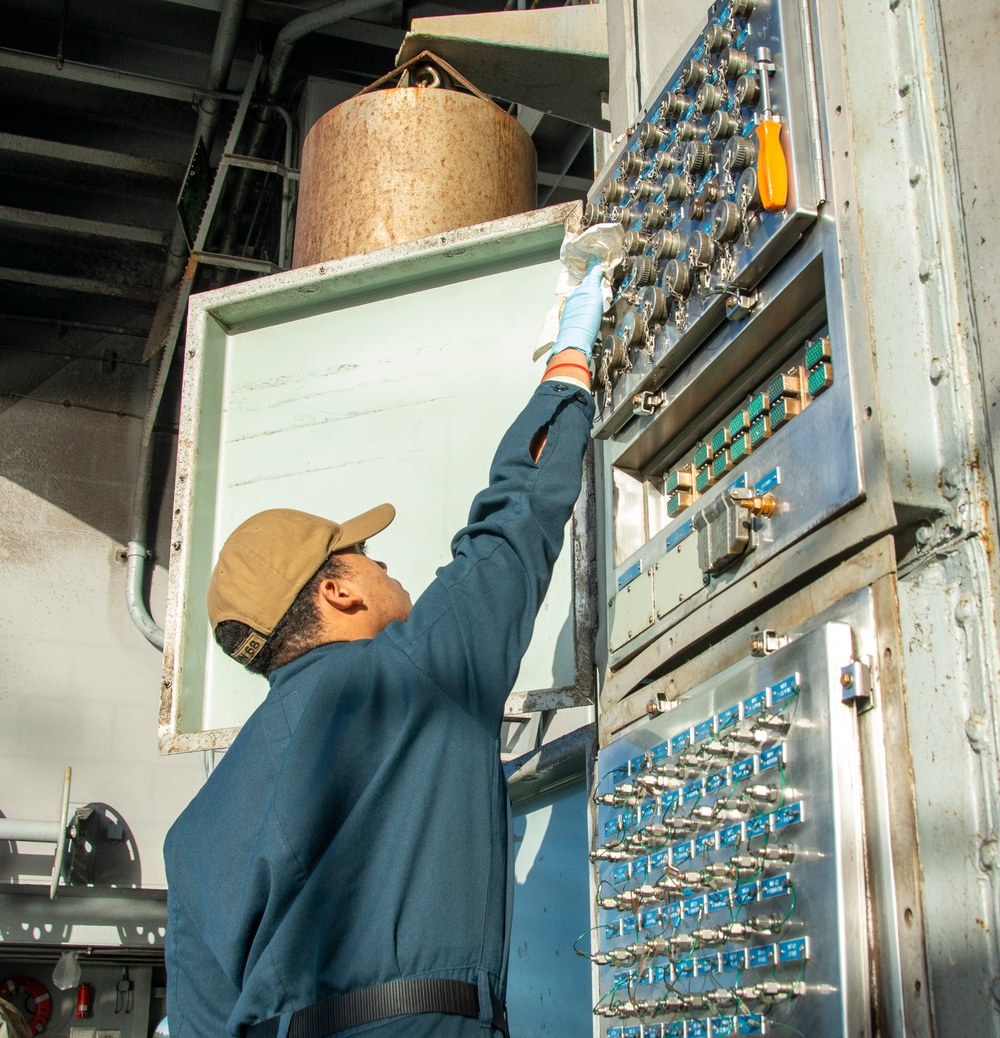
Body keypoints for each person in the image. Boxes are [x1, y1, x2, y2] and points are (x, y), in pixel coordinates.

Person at [163, 258, 607, 1038]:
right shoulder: (414, 673)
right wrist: (569, 364)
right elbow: (513, 522)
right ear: (339, 592)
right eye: (366, 555)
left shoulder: (193, 833)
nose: (384, 564)